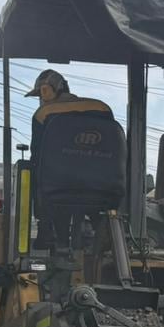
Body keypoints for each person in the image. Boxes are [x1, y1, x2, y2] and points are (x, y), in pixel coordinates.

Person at [25, 69, 114, 249]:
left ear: (51, 90)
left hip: (59, 193)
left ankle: (50, 235)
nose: (40, 100)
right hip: (102, 191)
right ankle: (106, 235)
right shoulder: (101, 109)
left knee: (35, 175)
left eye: (42, 94)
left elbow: (37, 157)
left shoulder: (44, 115)